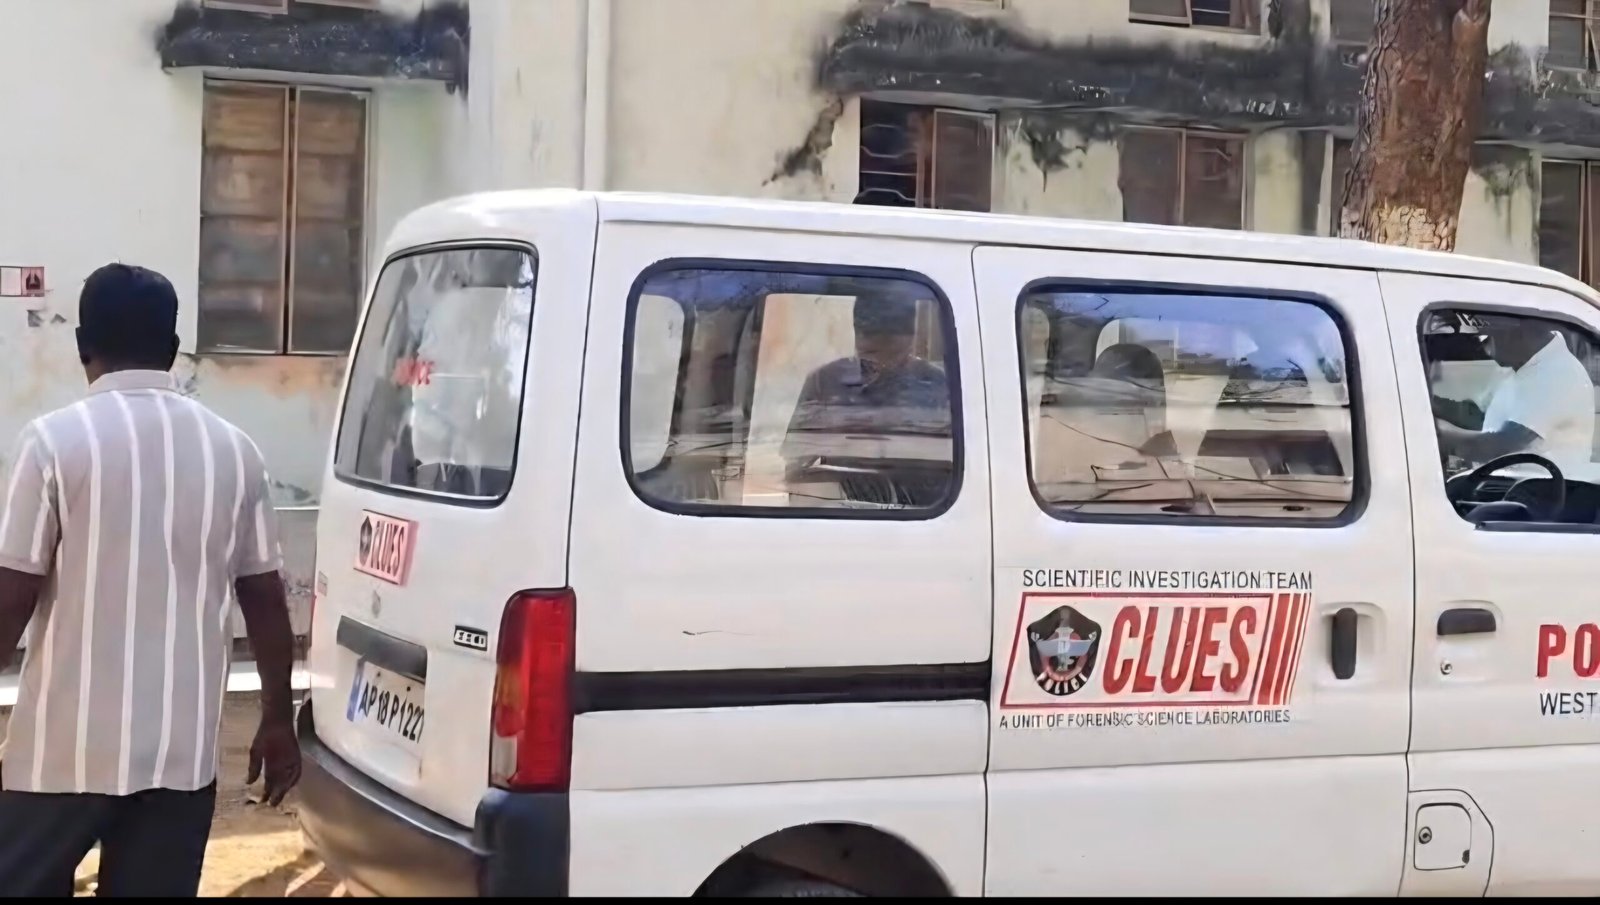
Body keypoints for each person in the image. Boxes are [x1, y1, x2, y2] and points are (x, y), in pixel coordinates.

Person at [0, 264, 300, 896]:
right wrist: (278, 719)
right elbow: (266, 601)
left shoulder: (53, 443)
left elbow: (10, 601)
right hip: (179, 758)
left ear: (82, 344)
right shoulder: (234, 450)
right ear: (173, 346)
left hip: (60, 755)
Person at [781, 293, 952, 490]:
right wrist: (835, 437)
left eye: (888, 341)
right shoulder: (825, 381)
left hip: (922, 505)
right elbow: (795, 469)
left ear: (909, 340)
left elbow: (956, 466)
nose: (867, 342)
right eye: (863, 333)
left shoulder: (937, 385)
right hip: (847, 506)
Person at [1433, 320, 1596, 473]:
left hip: (1543, 491)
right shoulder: (1520, 369)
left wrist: (1435, 432)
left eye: (1487, 337)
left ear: (1515, 332)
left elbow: (1499, 447)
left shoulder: (1557, 374)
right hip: (1509, 486)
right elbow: (1479, 417)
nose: (1484, 348)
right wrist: (1430, 405)